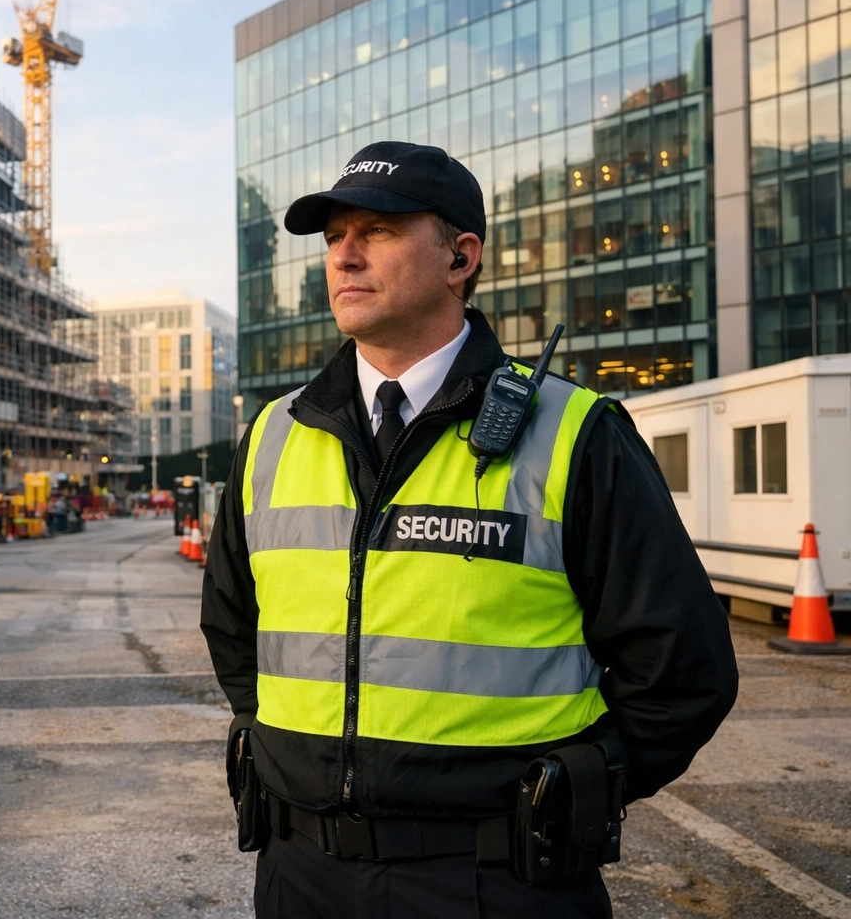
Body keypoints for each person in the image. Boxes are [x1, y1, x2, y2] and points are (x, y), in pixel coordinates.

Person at [200, 142, 738, 918]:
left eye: (377, 231)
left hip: (498, 881)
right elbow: (231, 629)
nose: (344, 257)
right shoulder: (273, 436)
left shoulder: (574, 433)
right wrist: (294, 758)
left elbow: (684, 671)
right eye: (333, 238)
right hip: (300, 874)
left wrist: (572, 786)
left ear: (461, 257)